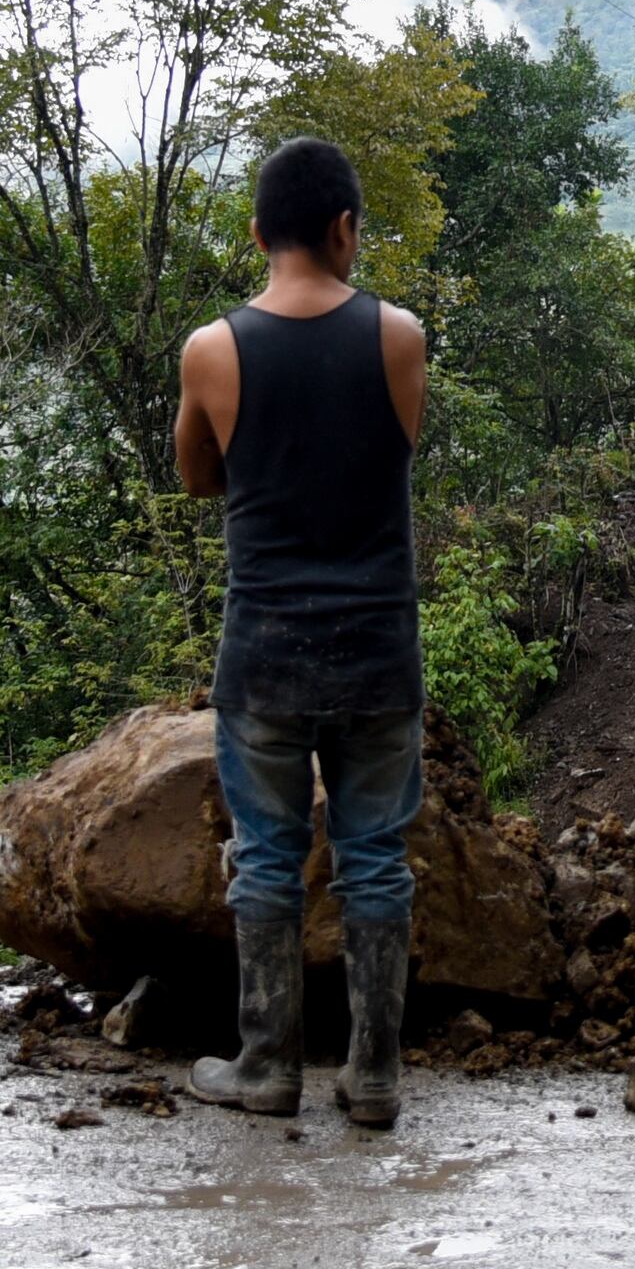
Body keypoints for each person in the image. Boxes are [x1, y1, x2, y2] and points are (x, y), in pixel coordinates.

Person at [172, 135, 430, 1130]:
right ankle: (375, 1076)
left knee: (267, 857)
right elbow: (387, 451)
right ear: (344, 229)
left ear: (257, 234)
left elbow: (198, 475)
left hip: (266, 648)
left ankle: (267, 1065)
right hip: (377, 649)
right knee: (375, 856)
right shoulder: (397, 336)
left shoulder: (212, 349)